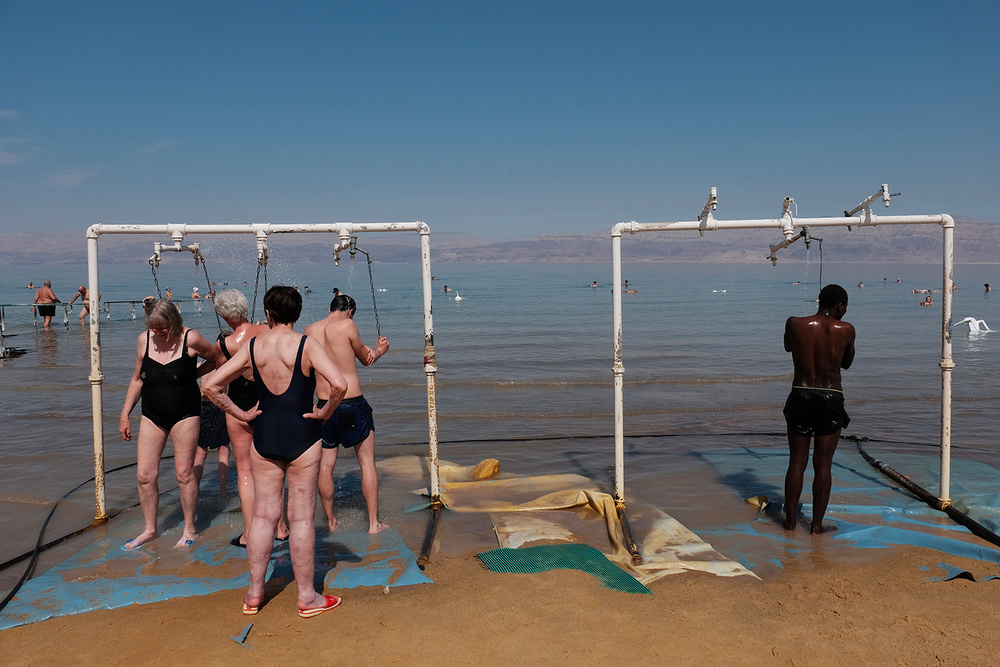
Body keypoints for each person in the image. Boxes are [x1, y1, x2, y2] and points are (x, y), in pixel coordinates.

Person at [204, 286, 348, 618]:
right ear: (297, 314)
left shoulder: (254, 346)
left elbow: (210, 386)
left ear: (268, 314)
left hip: (264, 437)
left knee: (263, 517)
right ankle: (307, 597)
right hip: (304, 436)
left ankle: (255, 593)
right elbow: (339, 385)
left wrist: (241, 414)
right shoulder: (307, 345)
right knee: (301, 517)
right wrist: (325, 412)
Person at [119, 299, 215, 550]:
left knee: (183, 473)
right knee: (144, 475)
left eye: (162, 328)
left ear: (174, 322)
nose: (158, 332)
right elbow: (137, 379)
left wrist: (192, 375)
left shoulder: (191, 339)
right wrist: (125, 414)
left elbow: (216, 358)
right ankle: (150, 530)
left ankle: (189, 528)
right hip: (152, 415)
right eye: (153, 327)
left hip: (186, 414)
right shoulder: (144, 340)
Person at [305, 294, 390, 534]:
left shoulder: (310, 330)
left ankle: (331, 521)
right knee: (367, 463)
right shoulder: (347, 325)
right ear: (350, 312)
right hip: (350, 403)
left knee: (325, 466)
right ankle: (373, 524)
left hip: (324, 404)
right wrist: (380, 351)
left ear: (329, 308)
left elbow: (306, 369)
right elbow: (366, 359)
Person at [209, 289, 283, 547]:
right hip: (268, 404)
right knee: (275, 465)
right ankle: (281, 527)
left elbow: (220, 377)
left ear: (223, 316)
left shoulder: (224, 344)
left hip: (239, 408)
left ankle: (250, 532)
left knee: (244, 469)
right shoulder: (267, 331)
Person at [782, 284, 856, 534]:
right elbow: (846, 363)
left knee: (796, 462)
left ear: (819, 301)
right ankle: (816, 526)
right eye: (845, 307)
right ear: (840, 306)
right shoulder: (846, 329)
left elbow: (788, 346)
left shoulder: (794, 323)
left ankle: (790, 522)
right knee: (823, 465)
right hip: (830, 396)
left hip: (800, 393)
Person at [193, 398, 231, 498]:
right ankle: (223, 492)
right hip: (220, 404)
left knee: (200, 452)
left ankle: (195, 491)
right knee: (224, 451)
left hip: (202, 406)